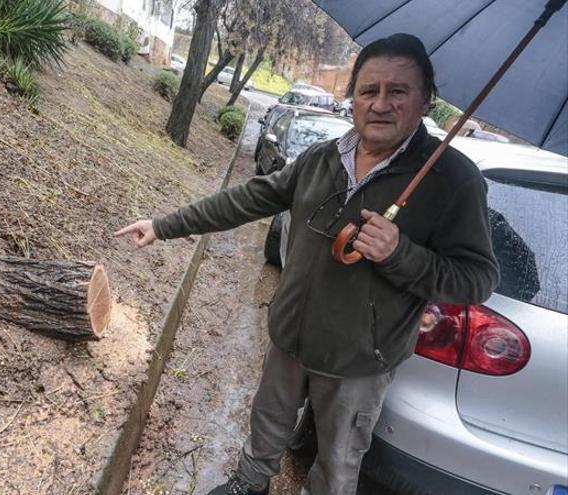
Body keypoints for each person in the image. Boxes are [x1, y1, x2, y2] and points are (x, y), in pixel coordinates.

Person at [114, 33, 499, 495]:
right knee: (268, 423)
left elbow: (477, 280)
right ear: (353, 98)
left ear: (425, 102)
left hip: (359, 359)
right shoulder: (322, 158)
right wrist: (165, 224)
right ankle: (249, 484)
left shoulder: (453, 181)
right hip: (291, 334)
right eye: (368, 90)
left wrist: (401, 254)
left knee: (337, 463)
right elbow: (252, 196)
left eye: (398, 91)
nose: (380, 104)